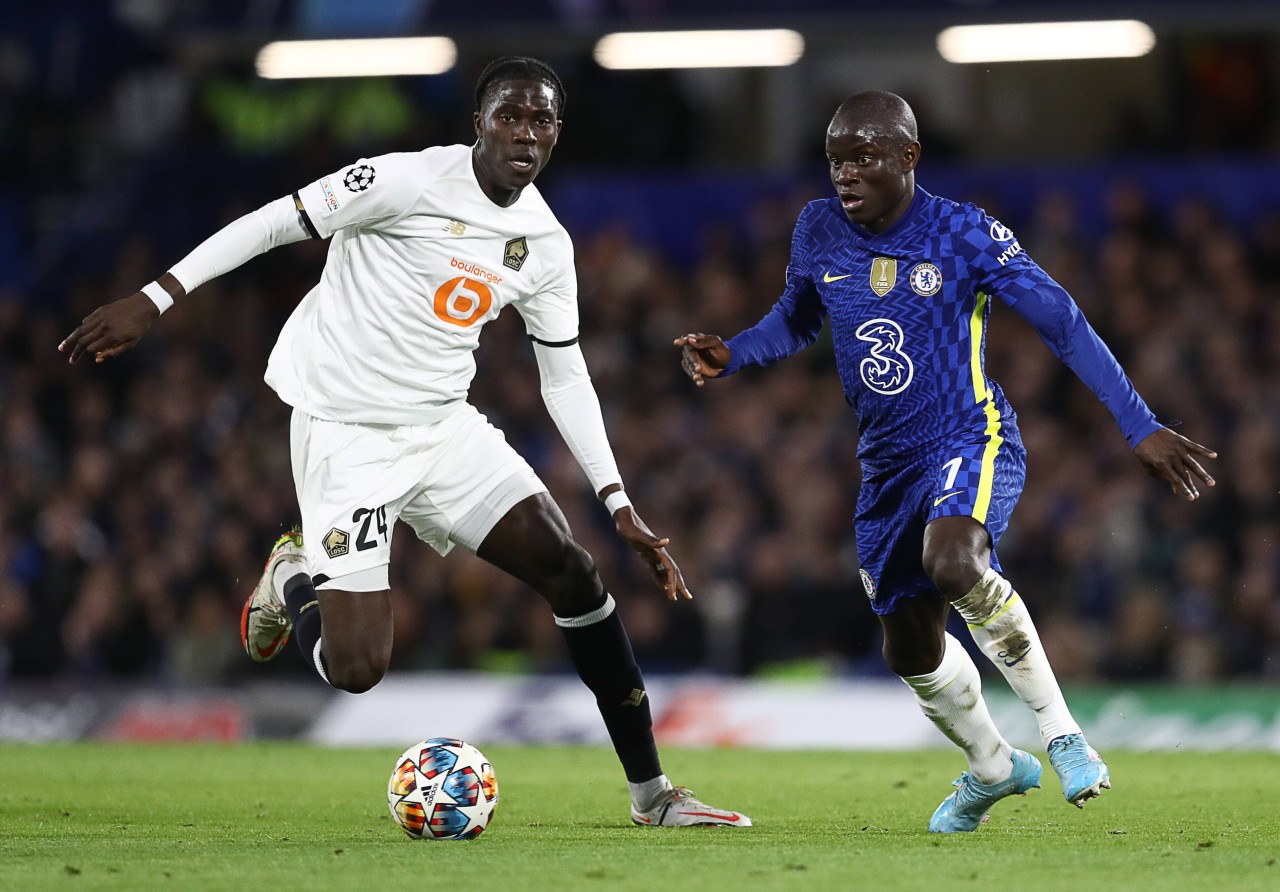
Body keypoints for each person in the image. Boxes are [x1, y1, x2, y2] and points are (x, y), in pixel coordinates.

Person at [61, 56, 748, 829]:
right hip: (346, 430)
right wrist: (158, 297)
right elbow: (275, 219)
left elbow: (564, 377)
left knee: (574, 573)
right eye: (510, 116)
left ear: (558, 133)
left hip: (442, 426)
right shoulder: (402, 181)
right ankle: (293, 578)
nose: (525, 132)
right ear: (480, 123)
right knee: (357, 670)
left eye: (542, 120)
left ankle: (652, 796)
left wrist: (617, 499)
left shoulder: (544, 244)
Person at [675, 90, 1216, 833]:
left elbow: (1062, 320)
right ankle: (994, 767)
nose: (846, 174)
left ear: (908, 156)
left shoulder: (965, 232)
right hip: (887, 467)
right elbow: (798, 316)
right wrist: (734, 351)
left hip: (970, 435)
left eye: (864, 156)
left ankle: (1062, 735)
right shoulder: (817, 228)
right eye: (836, 159)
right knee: (910, 647)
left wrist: (1139, 424)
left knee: (954, 561)